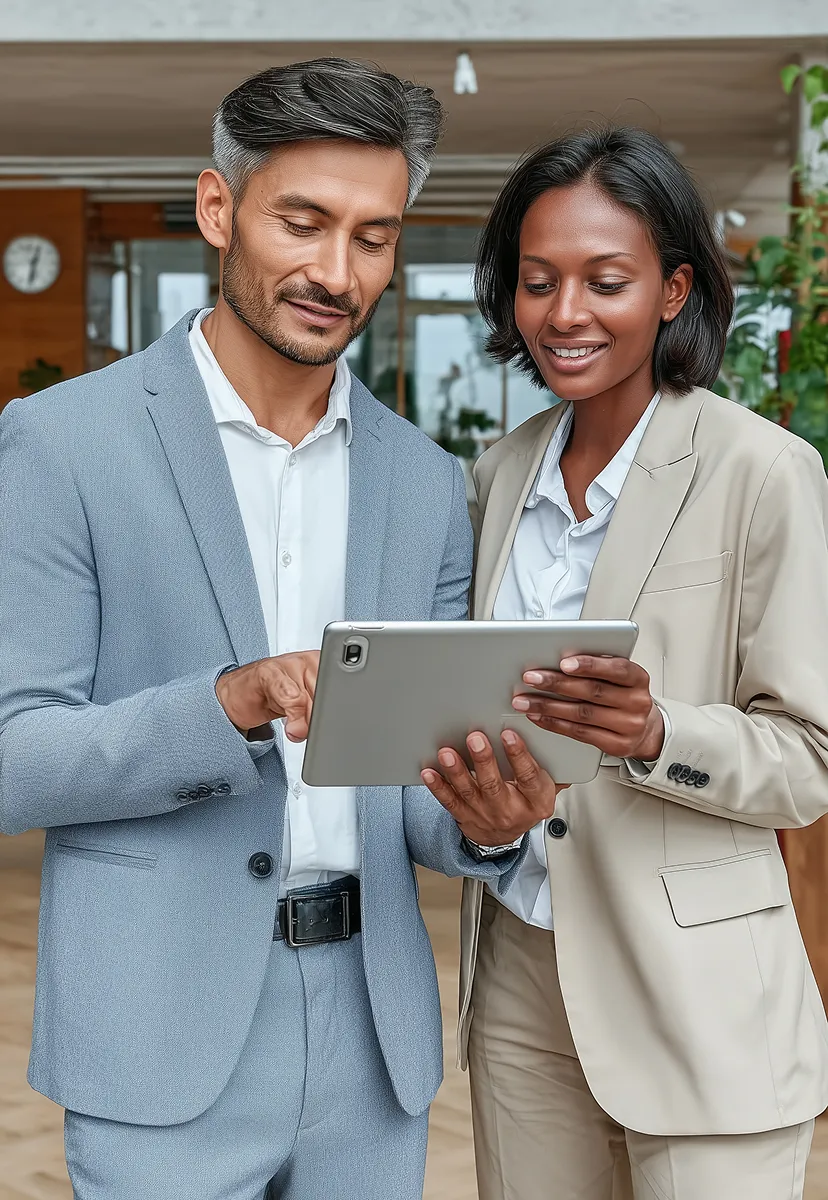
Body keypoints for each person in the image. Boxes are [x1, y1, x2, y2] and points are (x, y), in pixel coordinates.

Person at [0, 59, 552, 1200]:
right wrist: (227, 703)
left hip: (370, 1038)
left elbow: (412, 789)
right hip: (160, 1033)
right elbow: (14, 755)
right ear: (219, 209)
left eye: (373, 237)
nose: (335, 273)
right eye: (302, 223)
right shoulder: (59, 446)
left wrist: (492, 821)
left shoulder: (422, 480)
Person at [422, 127, 828, 1200]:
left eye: (606, 281)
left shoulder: (763, 472)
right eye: (538, 281)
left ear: (672, 288)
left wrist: (657, 733)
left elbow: (808, 761)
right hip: (520, 976)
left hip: (700, 1001)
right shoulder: (495, 476)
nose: (566, 313)